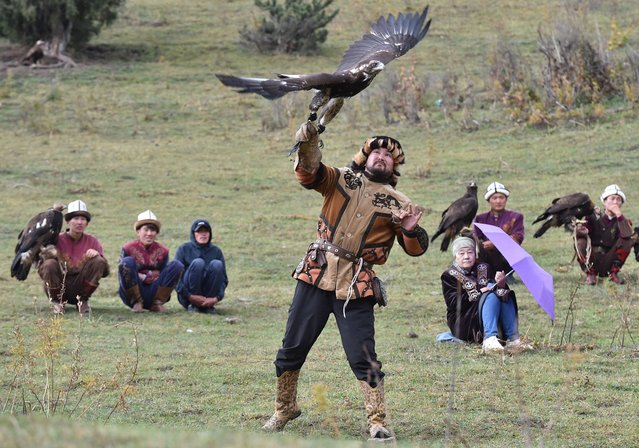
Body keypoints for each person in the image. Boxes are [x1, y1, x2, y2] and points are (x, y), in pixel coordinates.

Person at [261, 122, 429, 442]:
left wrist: (408, 229)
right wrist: (309, 143)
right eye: (375, 151)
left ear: (395, 165)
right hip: (316, 273)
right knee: (292, 347)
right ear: (364, 157)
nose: (381, 157)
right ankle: (284, 408)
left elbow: (416, 249)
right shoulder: (341, 178)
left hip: (357, 284)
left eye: (388, 155)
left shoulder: (399, 201)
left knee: (362, 355)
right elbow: (309, 173)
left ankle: (377, 421)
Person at [440, 232, 526, 352]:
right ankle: (489, 338)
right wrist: (479, 292)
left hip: (488, 314)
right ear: (455, 256)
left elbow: (495, 288)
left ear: (475, 254)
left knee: (503, 293)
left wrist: (500, 284)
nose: (466, 256)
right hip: (464, 320)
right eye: (461, 253)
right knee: (490, 296)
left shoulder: (483, 267)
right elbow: (454, 304)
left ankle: (513, 339)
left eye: (470, 252)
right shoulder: (449, 275)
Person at [38, 199, 109, 316]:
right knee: (49, 263)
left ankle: (82, 301)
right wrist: (53, 255)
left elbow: (105, 272)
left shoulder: (93, 241)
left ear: (87, 223)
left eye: (83, 219)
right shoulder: (55, 239)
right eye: (75, 219)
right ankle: (57, 302)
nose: (79, 222)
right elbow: (42, 269)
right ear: (67, 221)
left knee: (99, 261)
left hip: (80, 286)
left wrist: (96, 255)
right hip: (58, 284)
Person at [118, 210, 184, 312]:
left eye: (152, 230)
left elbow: (164, 274)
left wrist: (146, 276)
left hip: (155, 290)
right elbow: (123, 274)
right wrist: (143, 276)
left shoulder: (163, 251)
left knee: (177, 265)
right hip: (132, 291)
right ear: (138, 231)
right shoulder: (127, 248)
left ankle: (157, 303)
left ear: (156, 233)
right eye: (146, 230)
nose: (149, 234)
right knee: (127, 262)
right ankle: (137, 302)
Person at [576, 184, 635, 285]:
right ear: (604, 201)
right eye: (612, 199)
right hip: (592, 258)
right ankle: (591, 274)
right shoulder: (591, 217)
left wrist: (619, 215)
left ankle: (614, 274)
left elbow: (627, 235)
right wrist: (580, 228)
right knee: (580, 242)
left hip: (610, 259)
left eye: (619, 200)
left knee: (627, 240)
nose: (615, 202)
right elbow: (581, 234)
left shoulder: (622, 221)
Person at [174, 219, 228, 314]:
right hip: (187, 297)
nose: (203, 234)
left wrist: (216, 298)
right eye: (199, 231)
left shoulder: (216, 251)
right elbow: (175, 278)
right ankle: (193, 305)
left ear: (210, 233)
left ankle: (208, 306)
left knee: (217, 264)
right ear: (193, 233)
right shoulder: (183, 249)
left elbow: (224, 279)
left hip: (209, 298)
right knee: (198, 263)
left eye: (206, 231)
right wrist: (189, 296)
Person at [473, 181, 524, 276]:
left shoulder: (516, 217)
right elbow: (476, 240)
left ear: (506, 199)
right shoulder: (480, 219)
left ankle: (508, 275)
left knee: (513, 248)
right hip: (487, 257)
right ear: (489, 200)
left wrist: (495, 244)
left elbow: (517, 238)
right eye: (494, 198)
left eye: (501, 197)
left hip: (507, 257)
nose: (498, 201)